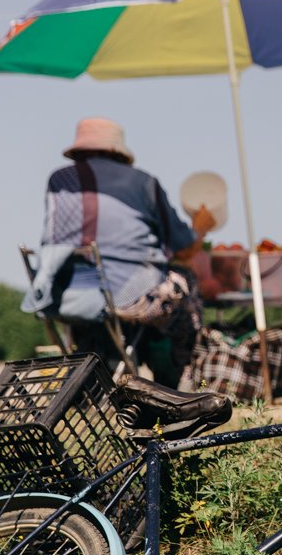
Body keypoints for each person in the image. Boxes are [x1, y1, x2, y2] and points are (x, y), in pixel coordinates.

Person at [22, 117, 215, 387]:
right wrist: (199, 229)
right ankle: (177, 380)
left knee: (111, 293)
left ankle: (98, 367)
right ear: (117, 150)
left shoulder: (60, 180)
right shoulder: (144, 183)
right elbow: (183, 247)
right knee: (185, 284)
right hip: (126, 297)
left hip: (66, 295)